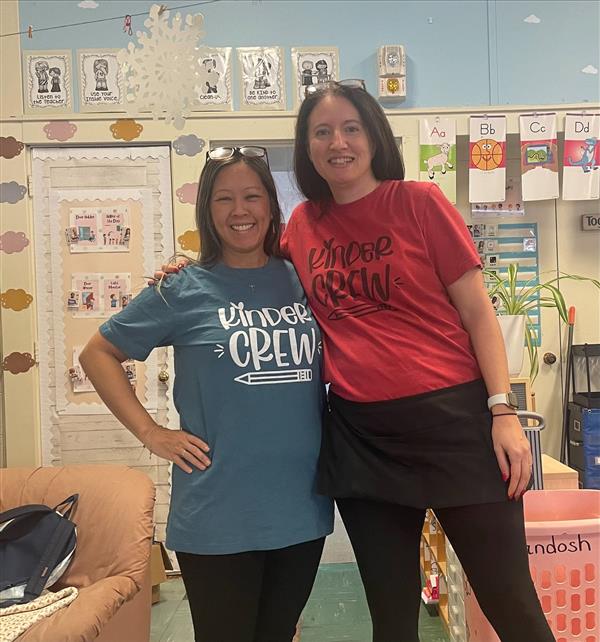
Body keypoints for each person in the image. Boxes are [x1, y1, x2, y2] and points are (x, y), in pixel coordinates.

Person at [153, 85, 555, 641]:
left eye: (350, 129)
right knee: (390, 620)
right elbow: (252, 272)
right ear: (307, 147)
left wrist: (502, 410)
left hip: (456, 425)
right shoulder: (302, 227)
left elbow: (480, 314)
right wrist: (184, 272)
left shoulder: (419, 202)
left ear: (373, 137)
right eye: (321, 132)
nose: (337, 143)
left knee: (511, 604)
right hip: (364, 439)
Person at [80, 147, 334, 642]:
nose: (240, 211)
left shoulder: (301, 276)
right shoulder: (183, 288)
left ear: (271, 204)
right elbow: (98, 354)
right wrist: (152, 433)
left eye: (252, 196)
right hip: (218, 512)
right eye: (224, 199)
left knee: (278, 633)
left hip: (301, 507)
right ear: (207, 210)